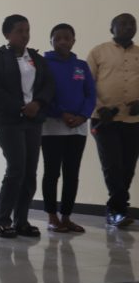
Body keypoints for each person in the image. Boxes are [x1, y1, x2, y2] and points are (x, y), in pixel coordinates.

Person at [0, 14, 55, 238]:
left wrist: (37, 104)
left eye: (27, 30)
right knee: (16, 169)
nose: (25, 35)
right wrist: (21, 107)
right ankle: (2, 222)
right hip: (9, 121)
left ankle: (21, 221)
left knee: (30, 171)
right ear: (7, 34)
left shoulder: (36, 58)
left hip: (33, 120)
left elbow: (48, 85)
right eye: (19, 31)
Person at [41, 23, 95, 233]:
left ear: (74, 41)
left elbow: (91, 94)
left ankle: (66, 217)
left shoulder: (81, 65)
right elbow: (44, 94)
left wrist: (83, 115)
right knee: (52, 173)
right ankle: (52, 216)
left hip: (78, 128)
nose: (62, 41)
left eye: (67, 37)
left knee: (72, 174)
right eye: (57, 38)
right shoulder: (44, 64)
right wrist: (60, 113)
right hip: (52, 127)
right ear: (51, 41)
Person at [88, 13, 139, 228]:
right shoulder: (98, 52)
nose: (128, 27)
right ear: (112, 28)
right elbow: (87, 84)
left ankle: (117, 210)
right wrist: (100, 108)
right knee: (112, 166)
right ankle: (117, 210)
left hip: (133, 120)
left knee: (128, 167)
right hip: (104, 120)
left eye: (132, 24)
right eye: (123, 23)